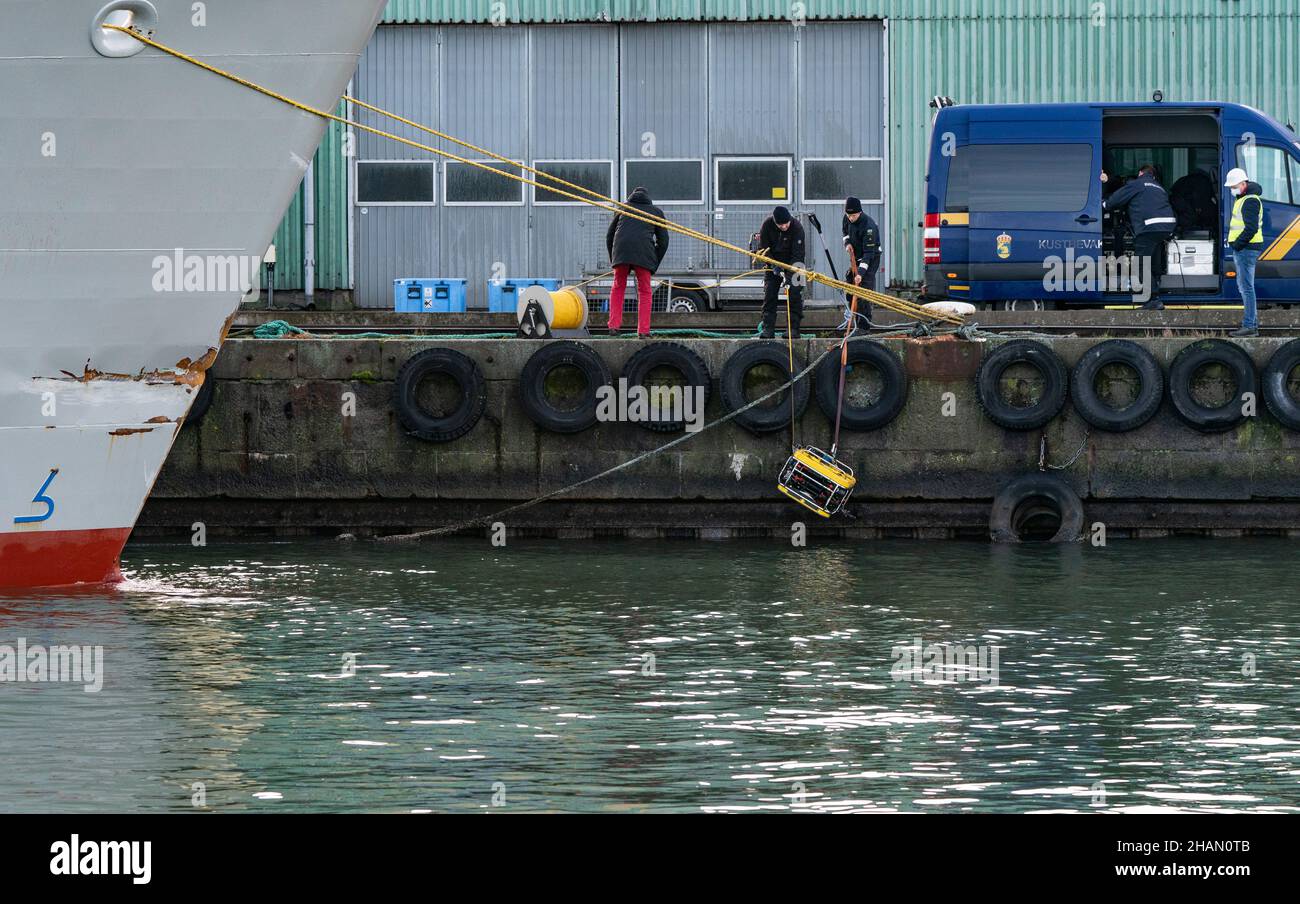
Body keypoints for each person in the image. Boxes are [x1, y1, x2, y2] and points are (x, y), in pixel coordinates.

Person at [1101, 164, 1178, 310]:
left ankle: (1152, 299)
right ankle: (1155, 293)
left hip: (1149, 227)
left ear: (1140, 173)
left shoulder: (1137, 184)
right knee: (1154, 260)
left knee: (1140, 263)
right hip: (1166, 227)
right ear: (1153, 175)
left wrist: (1106, 204)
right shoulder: (1159, 187)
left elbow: (1117, 198)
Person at [605, 186, 669, 338]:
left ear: (631, 196)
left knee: (618, 287)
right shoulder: (656, 212)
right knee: (645, 291)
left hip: (621, 251)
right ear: (648, 198)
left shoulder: (622, 208)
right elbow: (664, 241)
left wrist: (614, 259)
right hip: (644, 253)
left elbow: (609, 236)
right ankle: (643, 331)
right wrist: (653, 263)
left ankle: (613, 327)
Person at [1224, 167, 1264, 337]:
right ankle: (1251, 325)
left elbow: (1251, 228)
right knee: (1246, 287)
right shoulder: (1244, 199)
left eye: (1234, 186)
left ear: (1243, 183)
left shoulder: (1250, 201)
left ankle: (1249, 326)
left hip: (1246, 249)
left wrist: (1238, 244)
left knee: (1246, 288)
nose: (1232, 189)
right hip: (1245, 249)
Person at [758, 206, 807, 339]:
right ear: (775, 222)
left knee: (795, 294)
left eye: (786, 224)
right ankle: (768, 329)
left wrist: (789, 274)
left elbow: (798, 255)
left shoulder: (798, 228)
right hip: (773, 262)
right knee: (769, 294)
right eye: (781, 225)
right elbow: (764, 249)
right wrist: (774, 265)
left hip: (795, 263)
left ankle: (793, 329)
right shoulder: (766, 226)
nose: (784, 226)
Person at [841, 196, 881, 323]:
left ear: (860, 212)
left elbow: (868, 254)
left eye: (853, 216)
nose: (851, 218)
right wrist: (847, 243)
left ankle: (864, 325)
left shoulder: (869, 227)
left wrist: (861, 274)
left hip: (871, 257)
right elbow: (845, 232)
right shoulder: (847, 217)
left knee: (864, 288)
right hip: (855, 255)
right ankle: (853, 317)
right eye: (848, 215)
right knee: (850, 282)